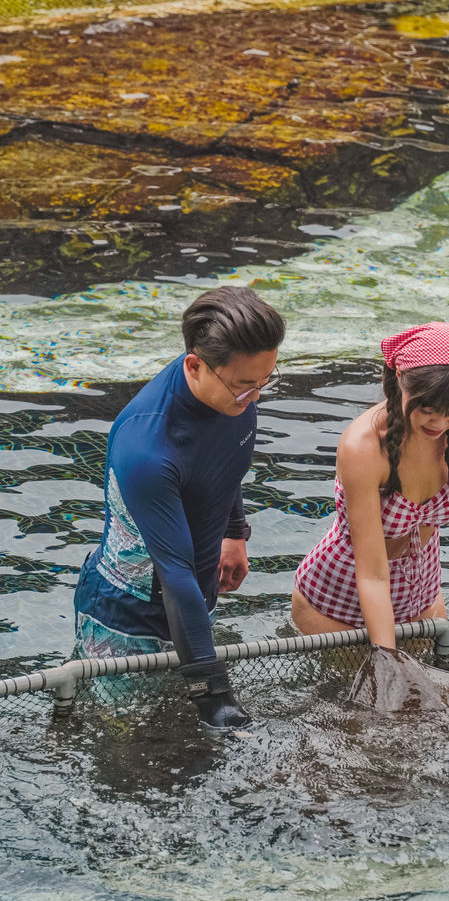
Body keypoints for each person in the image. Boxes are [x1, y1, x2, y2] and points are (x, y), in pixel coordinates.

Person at [74, 286, 285, 729]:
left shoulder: (232, 388)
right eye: (247, 386)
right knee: (128, 748)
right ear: (194, 365)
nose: (257, 397)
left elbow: (222, 464)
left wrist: (234, 532)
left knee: (176, 734)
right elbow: (174, 574)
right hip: (128, 619)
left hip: (194, 599)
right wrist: (214, 696)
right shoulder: (147, 446)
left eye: (267, 380)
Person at [292, 322, 449, 650]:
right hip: (340, 605)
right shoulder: (362, 448)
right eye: (428, 410)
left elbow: (424, 490)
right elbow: (373, 575)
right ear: (399, 381)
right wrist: (387, 657)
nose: (439, 423)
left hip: (421, 598)